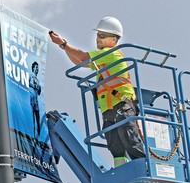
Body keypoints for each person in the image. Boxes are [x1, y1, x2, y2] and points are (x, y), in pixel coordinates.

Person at [49, 16, 145, 167]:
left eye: (102, 36)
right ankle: (121, 170)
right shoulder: (103, 60)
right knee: (114, 144)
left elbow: (82, 57)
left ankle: (142, 167)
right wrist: (63, 47)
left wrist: (64, 43)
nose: (98, 39)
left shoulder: (111, 53)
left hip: (122, 105)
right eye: (98, 35)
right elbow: (80, 62)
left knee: (129, 139)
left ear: (114, 40)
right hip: (109, 108)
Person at [29, 61, 42, 138]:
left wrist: (39, 88)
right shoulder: (31, 75)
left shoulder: (37, 79)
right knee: (33, 117)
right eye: (36, 67)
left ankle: (38, 136)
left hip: (36, 99)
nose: (37, 69)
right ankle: (33, 136)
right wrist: (33, 85)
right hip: (32, 97)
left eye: (38, 68)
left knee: (38, 117)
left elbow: (39, 92)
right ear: (33, 68)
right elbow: (26, 82)